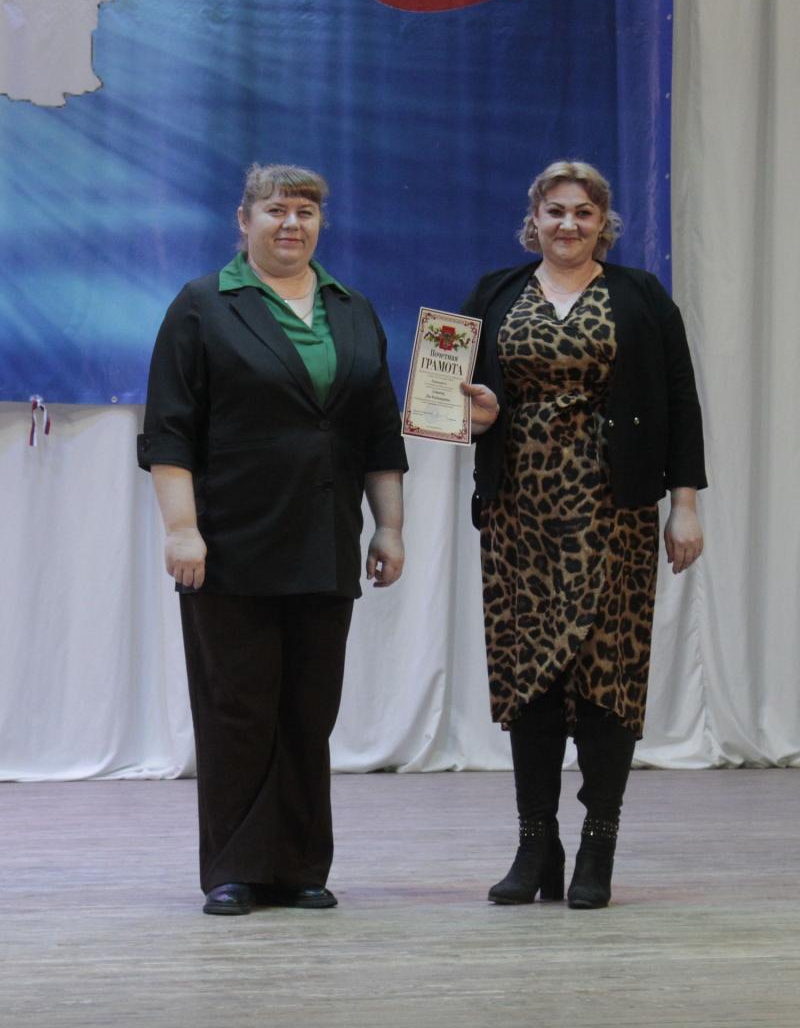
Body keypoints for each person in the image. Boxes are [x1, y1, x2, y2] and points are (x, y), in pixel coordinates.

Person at [138, 163, 407, 916]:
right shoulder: (203, 305)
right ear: (244, 220)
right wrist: (182, 529)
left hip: (325, 540)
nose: (292, 224)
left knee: (308, 711)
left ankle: (298, 867)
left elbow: (378, 431)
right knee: (238, 710)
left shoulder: (351, 308)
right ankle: (235, 868)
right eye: (276, 210)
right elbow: (169, 430)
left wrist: (390, 525)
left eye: (306, 212)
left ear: (321, 223)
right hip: (230, 545)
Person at [460, 160, 705, 909]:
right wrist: (476, 416)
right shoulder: (494, 293)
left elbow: (680, 403)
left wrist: (684, 505)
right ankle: (536, 843)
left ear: (604, 224)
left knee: (607, 676)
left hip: (615, 509)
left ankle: (598, 844)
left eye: (584, 212)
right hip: (520, 512)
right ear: (533, 219)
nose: (568, 224)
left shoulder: (641, 296)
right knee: (529, 677)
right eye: (555, 211)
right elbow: (449, 403)